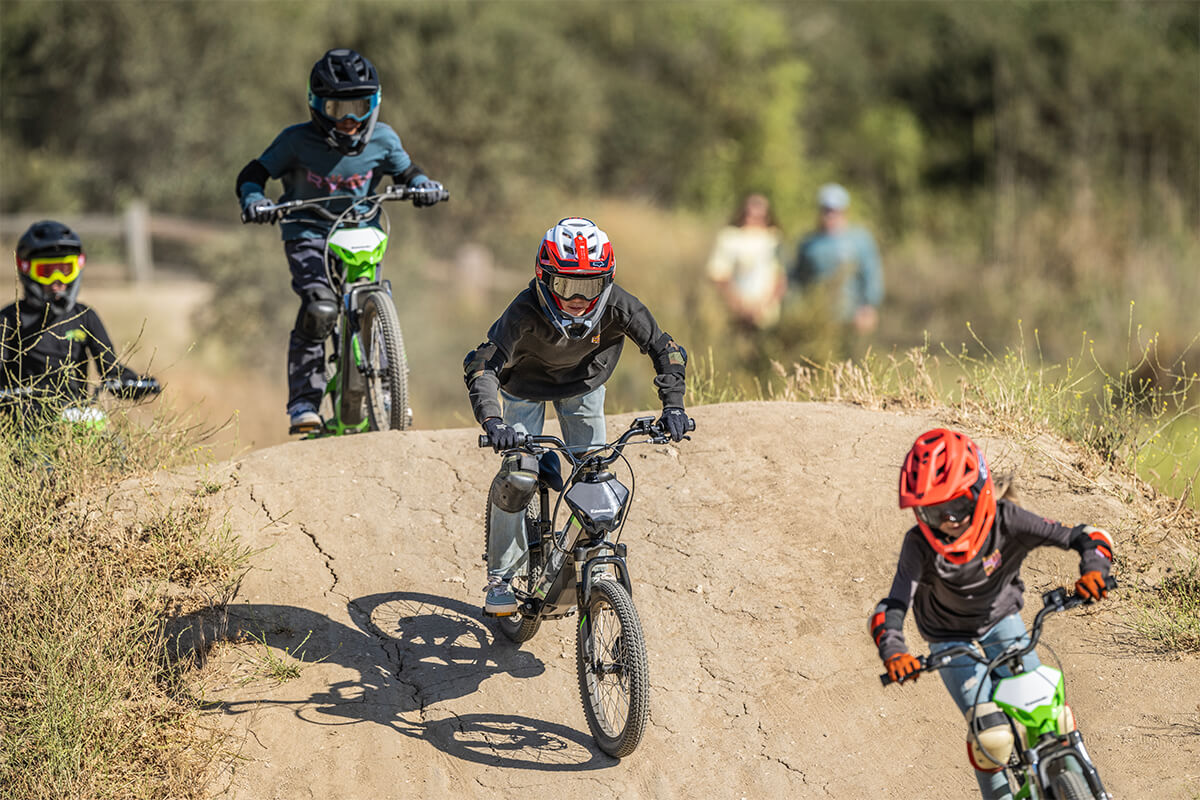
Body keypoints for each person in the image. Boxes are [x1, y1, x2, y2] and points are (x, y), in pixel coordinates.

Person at [870, 428, 1114, 800]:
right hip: (948, 638)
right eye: (935, 511)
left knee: (1051, 716)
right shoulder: (918, 546)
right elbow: (893, 605)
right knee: (992, 737)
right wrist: (895, 652)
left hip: (1001, 621)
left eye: (959, 506)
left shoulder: (1008, 520)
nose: (949, 519)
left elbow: (1086, 535)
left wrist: (1095, 570)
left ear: (980, 491)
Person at [464, 217, 690, 615]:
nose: (578, 299)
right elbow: (483, 366)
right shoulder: (523, 310)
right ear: (544, 277)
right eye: (567, 285)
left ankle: (589, 559)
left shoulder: (620, 304)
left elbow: (666, 349)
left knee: (596, 475)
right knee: (518, 475)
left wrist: (673, 405)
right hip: (524, 388)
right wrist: (492, 422)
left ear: (607, 279)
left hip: (583, 385)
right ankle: (501, 576)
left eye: (590, 285)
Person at [236, 48, 445, 434]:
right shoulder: (295, 141)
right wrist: (254, 200)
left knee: (371, 301)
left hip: (362, 231)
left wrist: (422, 186)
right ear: (317, 106)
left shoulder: (382, 140)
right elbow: (253, 173)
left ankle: (385, 388)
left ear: (375, 104)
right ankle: (304, 402)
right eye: (337, 108)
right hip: (308, 233)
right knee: (321, 309)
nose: (348, 120)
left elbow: (408, 172)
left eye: (358, 107)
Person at [1, 220, 156, 418]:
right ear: (26, 269)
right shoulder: (8, 319)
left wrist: (135, 383)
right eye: (46, 272)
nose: (57, 281)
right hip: (21, 425)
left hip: (74, 421)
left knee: (114, 446)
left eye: (65, 270)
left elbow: (112, 372)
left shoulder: (85, 317)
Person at [791, 183, 883, 335]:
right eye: (826, 210)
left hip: (851, 317)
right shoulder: (809, 244)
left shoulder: (860, 239)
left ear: (845, 211)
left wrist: (868, 307)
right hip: (817, 318)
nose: (830, 215)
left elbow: (871, 274)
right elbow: (798, 280)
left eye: (835, 210)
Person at [705, 193, 786, 330]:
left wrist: (763, 306)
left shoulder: (774, 239)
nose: (753, 219)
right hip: (734, 315)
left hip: (766, 316)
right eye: (750, 214)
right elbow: (719, 275)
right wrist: (738, 305)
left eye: (759, 216)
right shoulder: (729, 237)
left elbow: (781, 278)